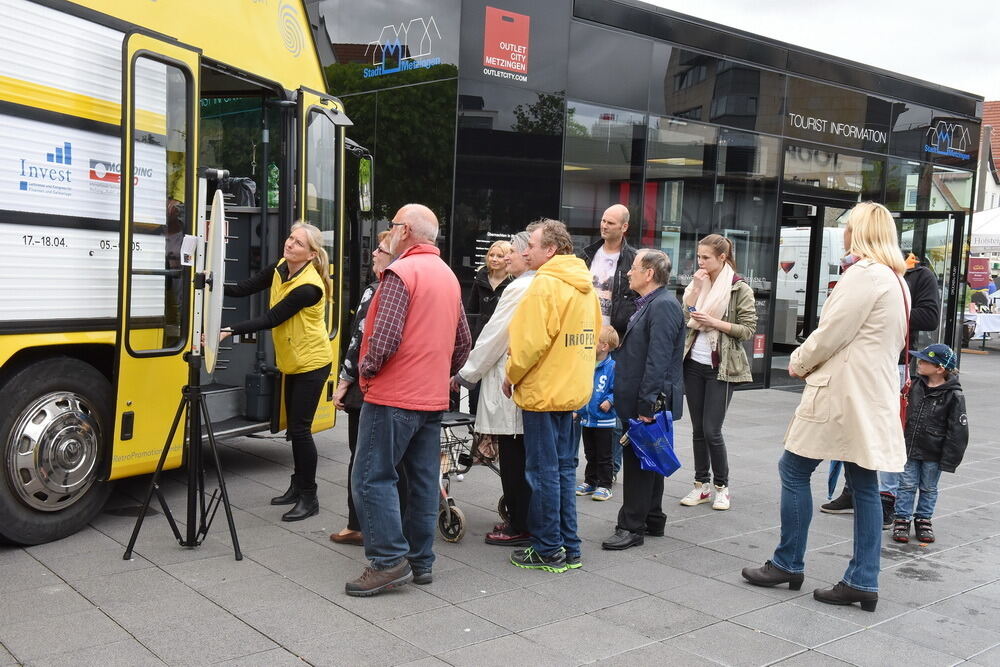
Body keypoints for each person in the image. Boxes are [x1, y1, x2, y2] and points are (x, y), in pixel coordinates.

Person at [742, 201, 908, 613]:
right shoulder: (896, 279)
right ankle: (862, 580)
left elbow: (830, 332)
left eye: (849, 226)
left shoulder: (864, 275)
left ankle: (787, 562)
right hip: (871, 393)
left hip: (843, 393)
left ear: (862, 232)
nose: (846, 233)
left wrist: (797, 362)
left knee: (793, 468)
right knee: (865, 485)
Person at [345, 204, 470, 597]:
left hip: (392, 395)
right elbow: (463, 342)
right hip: (430, 399)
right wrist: (436, 372)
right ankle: (420, 561)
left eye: (394, 225)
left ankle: (387, 561)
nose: (390, 230)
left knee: (371, 476)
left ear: (407, 231)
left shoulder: (401, 272)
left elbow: (383, 339)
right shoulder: (448, 277)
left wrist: (365, 372)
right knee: (421, 481)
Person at [503, 219, 602, 572]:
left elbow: (528, 345)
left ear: (551, 249)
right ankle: (569, 546)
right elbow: (593, 340)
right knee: (562, 471)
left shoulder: (545, 286)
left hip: (544, 393)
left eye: (531, 245)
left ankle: (548, 548)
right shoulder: (584, 285)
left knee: (543, 473)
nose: (525, 250)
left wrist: (511, 376)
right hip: (572, 392)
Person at [222, 222, 333, 521]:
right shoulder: (282, 266)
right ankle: (298, 487)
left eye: (298, 243)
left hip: (312, 363)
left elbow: (272, 317)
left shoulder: (309, 287)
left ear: (310, 255)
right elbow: (245, 287)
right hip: (292, 361)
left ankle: (309, 496)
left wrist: (230, 330)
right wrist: (212, 283)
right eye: (290, 237)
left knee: (300, 430)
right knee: (296, 431)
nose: (290, 244)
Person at [822, 250, 940, 521]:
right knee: (854, 427)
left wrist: (881, 310)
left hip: (891, 363)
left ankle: (887, 498)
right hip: (855, 362)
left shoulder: (916, 275)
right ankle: (853, 490)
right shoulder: (863, 273)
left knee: (887, 431)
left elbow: (930, 317)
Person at [452, 232, 535, 547]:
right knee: (525, 457)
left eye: (512, 251)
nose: (508, 256)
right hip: (531, 386)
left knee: (514, 458)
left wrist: (465, 374)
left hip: (510, 384)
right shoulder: (543, 283)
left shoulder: (518, 287)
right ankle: (524, 517)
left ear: (527, 253)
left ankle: (519, 523)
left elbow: (493, 337)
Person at [601, 249, 685, 550]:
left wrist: (647, 404)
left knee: (638, 462)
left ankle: (631, 526)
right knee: (651, 458)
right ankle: (652, 518)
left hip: (647, 400)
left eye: (634, 268)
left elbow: (658, 359)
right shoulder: (654, 303)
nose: (628, 272)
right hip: (643, 397)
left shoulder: (662, 305)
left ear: (649, 273)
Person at [329, 231, 407, 546]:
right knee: (397, 461)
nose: (373, 253)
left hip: (368, 387)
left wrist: (344, 382)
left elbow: (359, 340)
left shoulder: (376, 290)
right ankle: (396, 524)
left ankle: (359, 524)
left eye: (380, 249)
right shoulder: (410, 289)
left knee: (361, 458)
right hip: (402, 389)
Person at [679, 234, 757, 511]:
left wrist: (715, 322)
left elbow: (747, 330)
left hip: (721, 368)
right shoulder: (700, 283)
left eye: (706, 257)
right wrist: (696, 291)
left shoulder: (738, 288)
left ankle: (722, 487)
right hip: (693, 363)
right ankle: (701, 485)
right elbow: (687, 317)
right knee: (698, 429)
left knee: (712, 430)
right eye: (698, 256)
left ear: (722, 257)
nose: (700, 262)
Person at [581, 203, 638, 480]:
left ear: (624, 227)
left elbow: (637, 300)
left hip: (616, 339)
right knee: (586, 400)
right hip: (586, 338)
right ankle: (594, 466)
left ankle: (610, 468)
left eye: (611, 223)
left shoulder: (632, 259)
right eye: (603, 220)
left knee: (611, 403)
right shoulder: (587, 254)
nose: (604, 226)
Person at [891, 344, 968, 544]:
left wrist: (950, 459)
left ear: (939, 368)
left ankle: (923, 520)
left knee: (929, 488)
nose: (919, 363)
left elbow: (958, 430)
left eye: (925, 361)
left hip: (934, 452)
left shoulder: (954, 395)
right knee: (906, 485)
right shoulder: (913, 385)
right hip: (910, 447)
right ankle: (902, 519)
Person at [465, 240, 513, 413]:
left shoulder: (514, 282)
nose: (494, 259)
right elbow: (471, 310)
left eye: (500, 256)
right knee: (475, 394)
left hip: (502, 342)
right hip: (480, 340)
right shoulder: (481, 279)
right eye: (492, 255)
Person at [575, 325, 619, 502]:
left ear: (604, 346)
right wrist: (577, 410)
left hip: (604, 420)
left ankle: (605, 485)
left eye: (593, 341)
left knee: (604, 455)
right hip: (587, 418)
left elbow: (618, 388)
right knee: (590, 453)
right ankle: (590, 481)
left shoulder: (613, 367)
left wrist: (610, 400)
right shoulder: (586, 364)